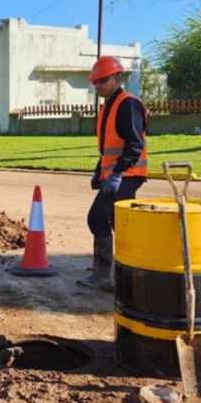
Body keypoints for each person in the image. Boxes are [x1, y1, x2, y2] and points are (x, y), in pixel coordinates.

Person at [77, 56, 148, 292]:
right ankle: (130, 272)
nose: (98, 86)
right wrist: (100, 171)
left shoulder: (128, 104)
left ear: (117, 78)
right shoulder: (108, 106)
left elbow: (134, 145)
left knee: (97, 217)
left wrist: (117, 174)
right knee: (122, 223)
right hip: (119, 174)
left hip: (128, 174)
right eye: (95, 82)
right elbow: (108, 147)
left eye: (103, 81)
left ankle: (104, 275)